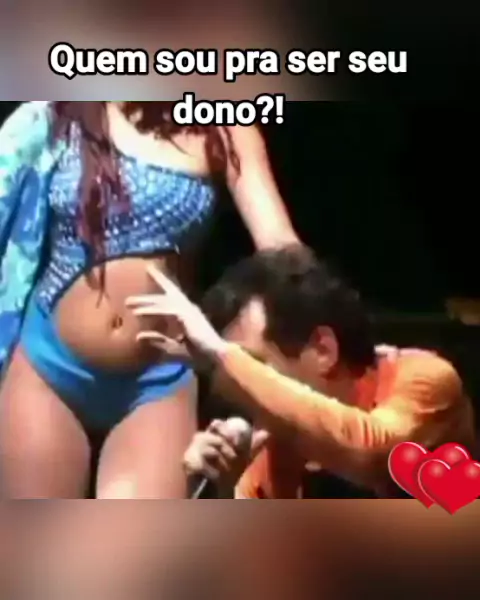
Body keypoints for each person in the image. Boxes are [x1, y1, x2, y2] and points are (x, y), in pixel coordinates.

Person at [0, 101, 299, 499]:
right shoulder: (64, 108)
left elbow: (282, 254)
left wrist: (338, 347)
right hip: (48, 367)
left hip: (157, 383)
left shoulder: (226, 125)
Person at [127, 246, 476, 498]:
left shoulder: (425, 379)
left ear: (323, 350)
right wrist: (223, 485)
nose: (245, 387)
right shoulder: (278, 447)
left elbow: (372, 451)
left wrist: (221, 354)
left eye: (255, 363)